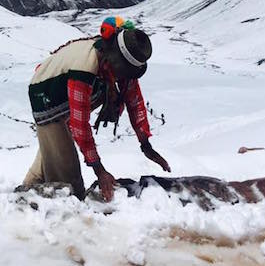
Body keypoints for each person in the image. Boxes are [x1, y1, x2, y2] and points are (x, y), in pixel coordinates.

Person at [23, 17, 170, 202]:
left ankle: (22, 197)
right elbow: (80, 124)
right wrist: (99, 170)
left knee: (53, 152)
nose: (123, 77)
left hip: (67, 97)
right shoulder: (84, 69)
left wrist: (146, 145)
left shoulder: (119, 66)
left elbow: (135, 103)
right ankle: (61, 211)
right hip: (46, 96)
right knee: (68, 177)